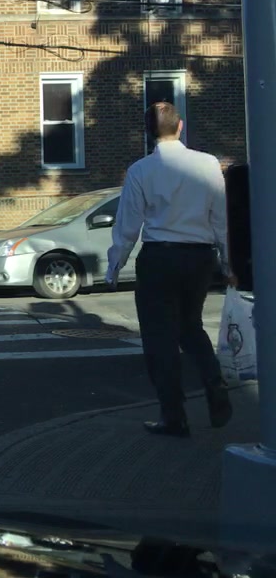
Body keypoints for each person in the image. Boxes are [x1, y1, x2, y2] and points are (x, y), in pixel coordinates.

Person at [106, 101, 233, 437]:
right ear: (180, 127)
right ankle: (214, 380)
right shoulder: (208, 164)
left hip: (159, 257)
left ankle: (174, 416)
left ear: (149, 133)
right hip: (199, 256)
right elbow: (220, 217)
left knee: (159, 338)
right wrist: (228, 261)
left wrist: (115, 265)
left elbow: (128, 225)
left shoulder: (140, 170)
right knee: (191, 326)